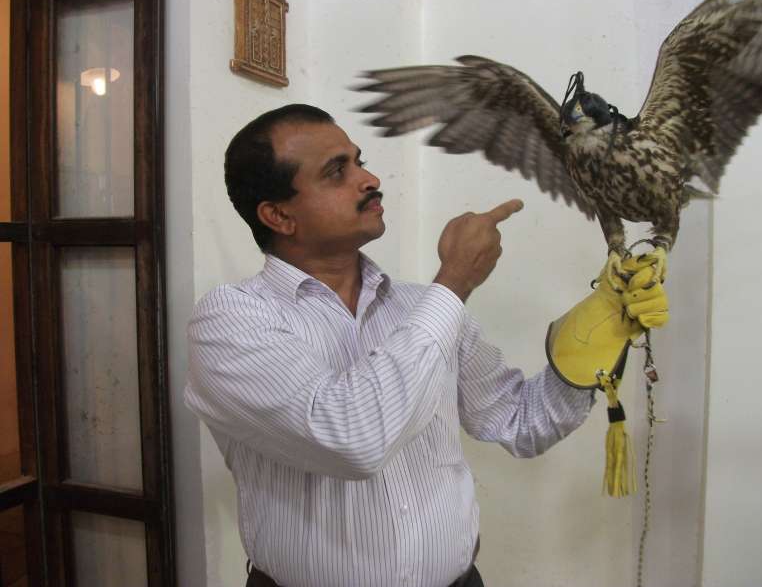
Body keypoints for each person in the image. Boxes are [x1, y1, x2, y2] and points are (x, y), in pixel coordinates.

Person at [185, 104, 668, 587]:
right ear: (279, 215)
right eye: (337, 172)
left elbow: (521, 421)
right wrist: (455, 281)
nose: (370, 178)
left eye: (359, 160)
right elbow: (351, 440)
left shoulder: (423, 309)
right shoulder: (231, 321)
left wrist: (603, 329)